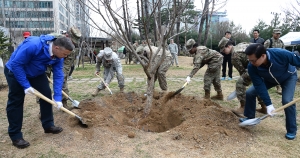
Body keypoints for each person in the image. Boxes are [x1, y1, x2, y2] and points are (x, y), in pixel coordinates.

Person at [4, 35, 74, 149]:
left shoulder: (59, 57)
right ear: (56, 48)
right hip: (15, 71)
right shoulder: (33, 45)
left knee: (46, 93)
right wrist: (26, 85)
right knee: (16, 100)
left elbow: (58, 74)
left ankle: (48, 125)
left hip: (36, 72)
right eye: (65, 54)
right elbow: (17, 64)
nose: (65, 57)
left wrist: (57, 97)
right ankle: (16, 135)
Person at [240, 43, 299, 140]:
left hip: (288, 77)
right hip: (269, 79)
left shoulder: (281, 54)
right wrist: (268, 104)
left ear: (263, 56)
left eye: (253, 60)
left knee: (287, 101)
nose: (251, 63)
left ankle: (291, 130)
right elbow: (259, 85)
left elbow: (298, 61)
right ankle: (250, 118)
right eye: (249, 60)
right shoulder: (252, 66)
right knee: (250, 92)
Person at [218, 37, 267, 115]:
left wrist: (241, 87)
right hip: (263, 63)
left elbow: (242, 72)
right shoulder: (240, 45)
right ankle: (264, 107)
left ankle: (243, 107)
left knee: (240, 83)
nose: (223, 52)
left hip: (255, 66)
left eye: (224, 50)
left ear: (228, 46)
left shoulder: (234, 56)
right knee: (257, 85)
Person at [264, 28, 285, 95]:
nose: (278, 35)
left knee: (278, 74)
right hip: (270, 60)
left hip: (278, 61)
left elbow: (284, 51)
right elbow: (263, 50)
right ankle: (275, 86)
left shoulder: (281, 42)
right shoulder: (268, 41)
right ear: (273, 34)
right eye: (276, 33)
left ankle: (279, 87)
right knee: (271, 74)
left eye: (279, 34)